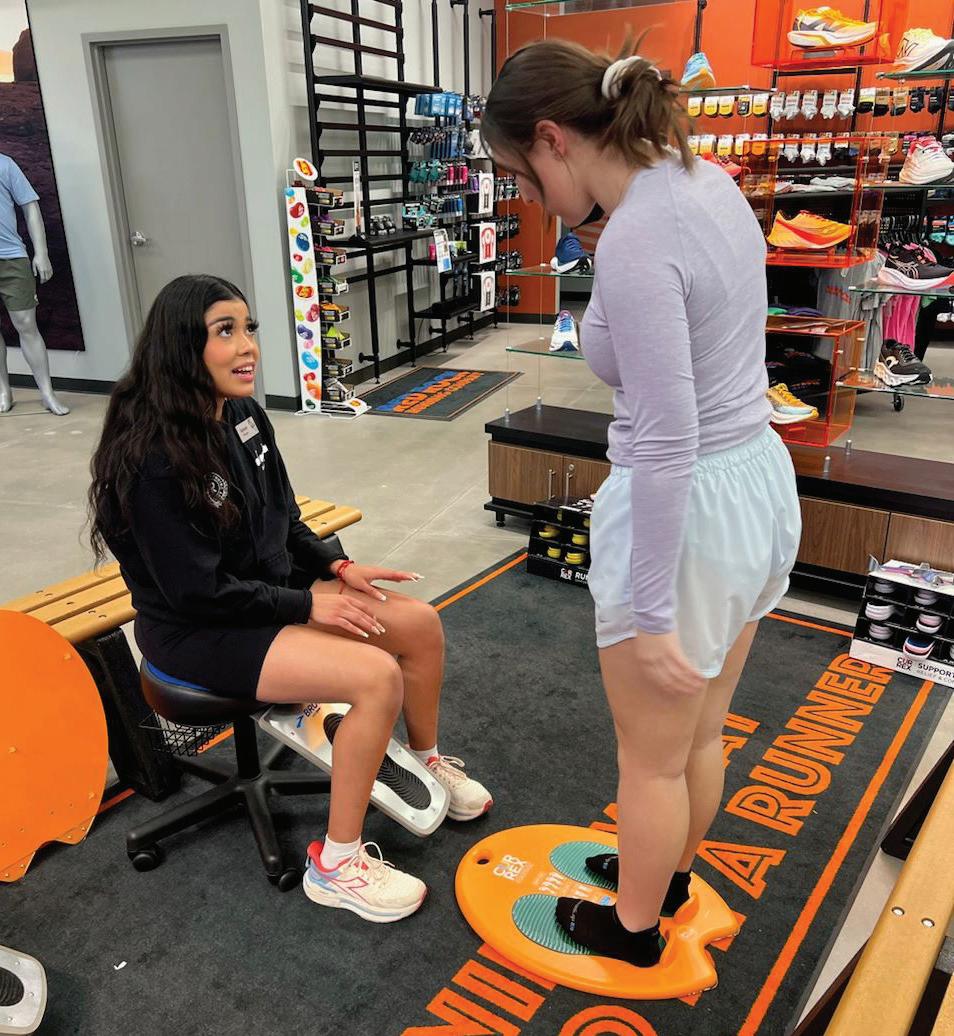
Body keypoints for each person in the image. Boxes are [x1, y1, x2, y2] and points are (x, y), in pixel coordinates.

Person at [482, 38, 801, 968]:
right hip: (754, 484)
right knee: (700, 733)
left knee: (651, 759)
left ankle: (630, 933)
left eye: (523, 176)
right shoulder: (703, 180)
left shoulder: (638, 239)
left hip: (688, 510)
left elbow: (664, 437)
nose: (531, 200)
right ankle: (667, 881)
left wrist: (652, 611)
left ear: (554, 138)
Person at [88, 274, 492, 923]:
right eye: (225, 331)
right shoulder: (154, 458)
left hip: (263, 597)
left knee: (418, 624)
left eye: (248, 328)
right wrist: (307, 607)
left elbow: (284, 516)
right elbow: (197, 592)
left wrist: (337, 565)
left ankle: (427, 762)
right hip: (199, 632)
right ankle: (336, 865)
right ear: (182, 347)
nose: (247, 345)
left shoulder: (242, 415)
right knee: (375, 677)